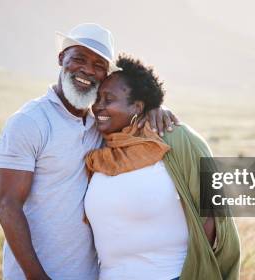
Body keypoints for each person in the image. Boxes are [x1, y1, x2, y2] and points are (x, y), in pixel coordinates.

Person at [0, 23, 178, 280]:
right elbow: (7, 205)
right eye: (79, 58)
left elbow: (132, 114)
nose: (88, 70)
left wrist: (155, 108)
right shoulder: (30, 122)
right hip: (35, 273)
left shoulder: (100, 122)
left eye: (99, 65)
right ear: (61, 59)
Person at [84, 55, 240, 280]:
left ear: (137, 106)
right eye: (97, 97)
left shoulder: (176, 140)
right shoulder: (99, 149)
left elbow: (213, 216)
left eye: (108, 99)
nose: (98, 106)